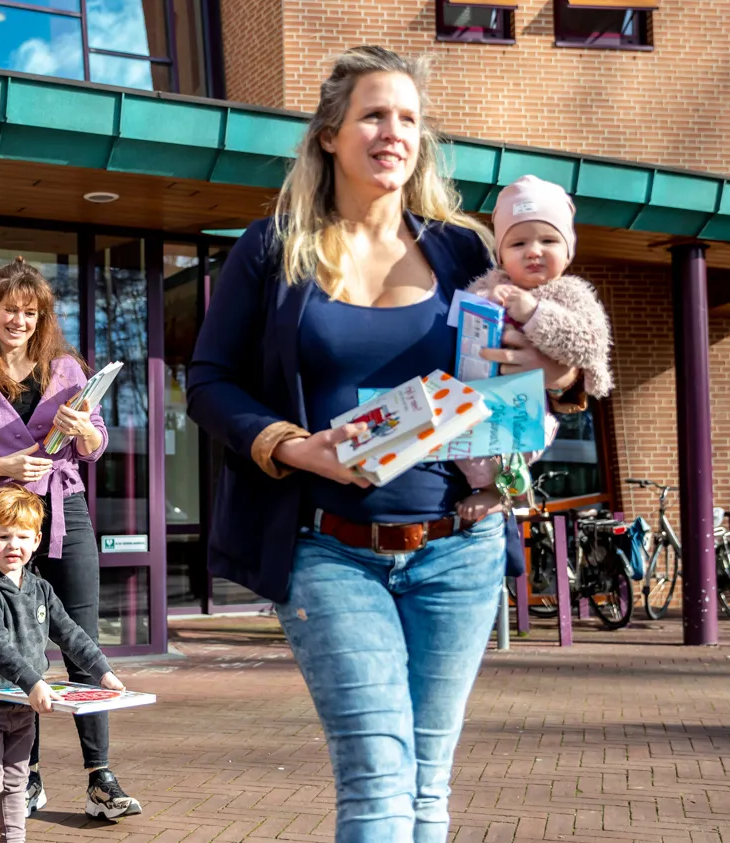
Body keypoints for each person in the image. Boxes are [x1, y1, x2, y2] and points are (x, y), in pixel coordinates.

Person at [185, 46, 587, 843]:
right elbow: (208, 380)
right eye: (374, 114)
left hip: (459, 547)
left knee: (427, 788)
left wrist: (560, 365)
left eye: (408, 118)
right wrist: (293, 447)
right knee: (376, 778)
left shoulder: (464, 250)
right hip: (327, 550)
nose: (392, 132)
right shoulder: (273, 248)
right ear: (331, 132)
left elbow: (544, 369)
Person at [0, 257, 142, 820]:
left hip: (66, 514)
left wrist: (87, 434)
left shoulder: (69, 369)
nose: (19, 321)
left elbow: (93, 446)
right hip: (4, 518)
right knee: (12, 649)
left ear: (42, 316)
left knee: (80, 639)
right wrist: (1, 462)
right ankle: (25, 775)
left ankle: (101, 775)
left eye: (30, 312)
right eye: (10, 311)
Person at [0, 486, 125, 842]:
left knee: (17, 783)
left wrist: (103, 671)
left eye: (22, 536)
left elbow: (71, 633)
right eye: (2, 536)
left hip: (23, 707)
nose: (12, 545)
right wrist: (33, 682)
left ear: (37, 541)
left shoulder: (41, 588)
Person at [454, 175, 613, 521]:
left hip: (530, 402)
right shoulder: (492, 283)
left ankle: (501, 491)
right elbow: (462, 317)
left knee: (519, 440)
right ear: (500, 256)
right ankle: (490, 489)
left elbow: (588, 342)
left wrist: (534, 313)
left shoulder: (570, 294)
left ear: (568, 251)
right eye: (518, 244)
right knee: (469, 447)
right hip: (481, 395)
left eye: (549, 240)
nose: (534, 251)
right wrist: (485, 302)